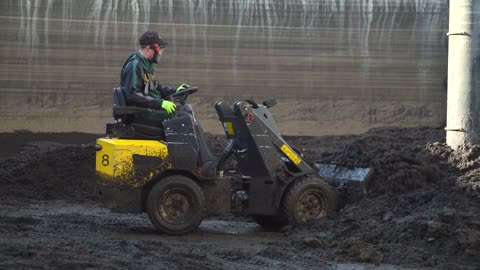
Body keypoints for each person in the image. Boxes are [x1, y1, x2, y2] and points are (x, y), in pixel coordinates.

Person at [120, 31, 190, 127]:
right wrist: (160, 103)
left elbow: (157, 89)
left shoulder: (147, 65)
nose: (160, 52)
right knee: (180, 117)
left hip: (150, 109)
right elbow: (133, 95)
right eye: (159, 48)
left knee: (185, 110)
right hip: (141, 113)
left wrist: (176, 90)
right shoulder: (134, 65)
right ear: (149, 48)